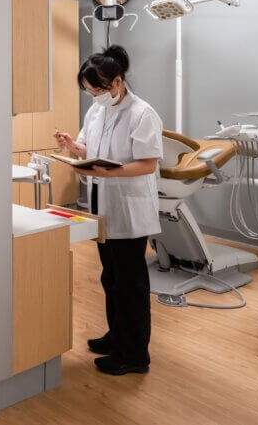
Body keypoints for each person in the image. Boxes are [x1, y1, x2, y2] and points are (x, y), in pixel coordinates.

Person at [54, 45, 163, 376]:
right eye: (88, 91)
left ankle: (134, 355)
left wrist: (110, 173)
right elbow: (90, 147)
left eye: (98, 89)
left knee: (130, 283)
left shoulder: (143, 114)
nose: (93, 95)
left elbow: (147, 164)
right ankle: (117, 336)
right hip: (103, 203)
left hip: (129, 209)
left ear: (117, 82)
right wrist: (73, 147)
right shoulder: (97, 111)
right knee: (110, 276)